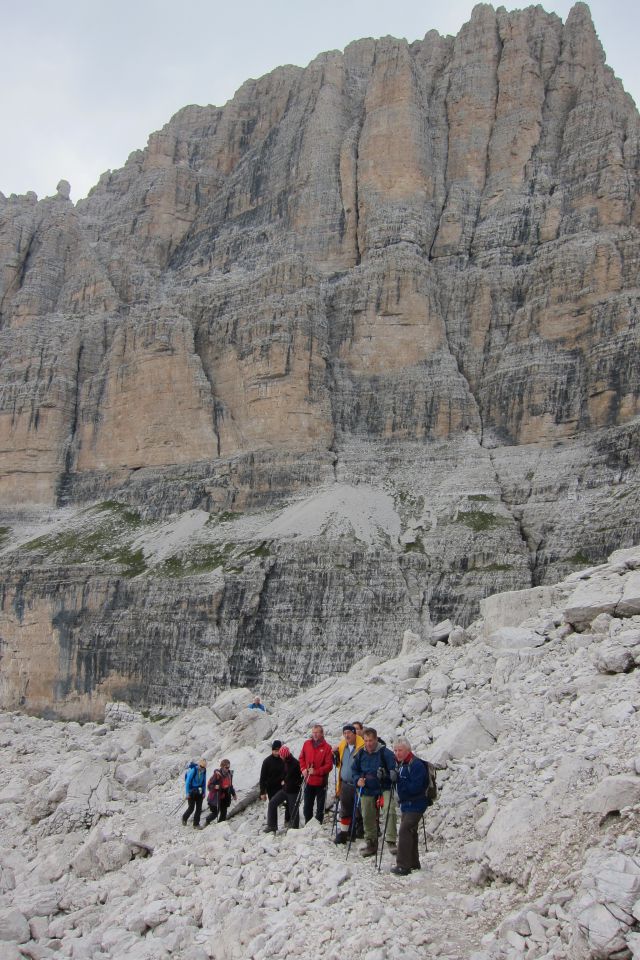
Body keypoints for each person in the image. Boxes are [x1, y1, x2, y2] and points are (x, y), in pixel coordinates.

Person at [352, 727, 397, 857]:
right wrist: (357, 779)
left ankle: (391, 840)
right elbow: (354, 770)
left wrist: (386, 775)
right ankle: (371, 842)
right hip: (367, 787)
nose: (368, 743)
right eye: (365, 740)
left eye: (370, 740)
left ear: (376, 739)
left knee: (389, 808)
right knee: (366, 813)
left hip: (384, 786)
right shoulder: (360, 754)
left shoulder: (386, 753)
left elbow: (394, 771)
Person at [391, 737, 428, 875]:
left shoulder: (416, 765)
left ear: (408, 750)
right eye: (395, 750)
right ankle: (413, 862)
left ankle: (402, 865)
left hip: (416, 804)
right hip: (407, 805)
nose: (397, 753)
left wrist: (398, 780)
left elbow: (415, 787)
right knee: (410, 831)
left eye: (400, 750)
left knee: (404, 830)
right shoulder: (401, 764)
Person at [333, 723, 364, 844]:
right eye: (345, 733)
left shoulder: (362, 746)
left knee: (359, 809)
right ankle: (345, 833)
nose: (346, 735)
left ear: (354, 733)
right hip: (345, 782)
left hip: (357, 783)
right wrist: (334, 756)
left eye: (349, 733)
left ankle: (358, 831)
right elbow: (339, 763)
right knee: (345, 808)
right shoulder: (342, 745)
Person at [299, 724, 334, 824]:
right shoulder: (307, 744)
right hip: (308, 780)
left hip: (321, 782)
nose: (314, 734)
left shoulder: (327, 747)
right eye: (313, 732)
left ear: (322, 733)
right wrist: (303, 769)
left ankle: (318, 826)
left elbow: (329, 766)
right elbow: (301, 758)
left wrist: (316, 771)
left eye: (317, 732)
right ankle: (307, 825)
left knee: (320, 808)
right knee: (307, 807)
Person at [265, 745, 303, 833]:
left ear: (284, 755)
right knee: (272, 803)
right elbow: (284, 774)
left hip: (293, 791)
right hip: (285, 790)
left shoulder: (294, 763)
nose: (280, 757)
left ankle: (294, 829)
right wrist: (282, 780)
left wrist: (284, 780)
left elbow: (289, 776)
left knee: (293, 810)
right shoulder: (286, 761)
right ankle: (272, 826)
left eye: (281, 755)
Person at [205, 759, 236, 824]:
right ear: (222, 766)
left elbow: (230, 785)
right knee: (215, 813)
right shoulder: (217, 775)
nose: (228, 769)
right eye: (226, 767)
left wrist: (233, 794)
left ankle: (220, 825)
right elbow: (209, 785)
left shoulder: (230, 774)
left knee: (224, 813)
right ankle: (207, 820)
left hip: (225, 796)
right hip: (217, 796)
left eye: (228, 767)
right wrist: (214, 787)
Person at [182, 758, 207, 829]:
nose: (202, 768)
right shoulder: (194, 770)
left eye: (203, 767)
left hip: (199, 791)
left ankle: (196, 824)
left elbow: (204, 782)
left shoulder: (204, 771)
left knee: (199, 809)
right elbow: (187, 782)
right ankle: (184, 818)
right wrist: (187, 793)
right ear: (198, 765)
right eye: (201, 766)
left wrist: (204, 792)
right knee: (191, 808)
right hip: (192, 792)